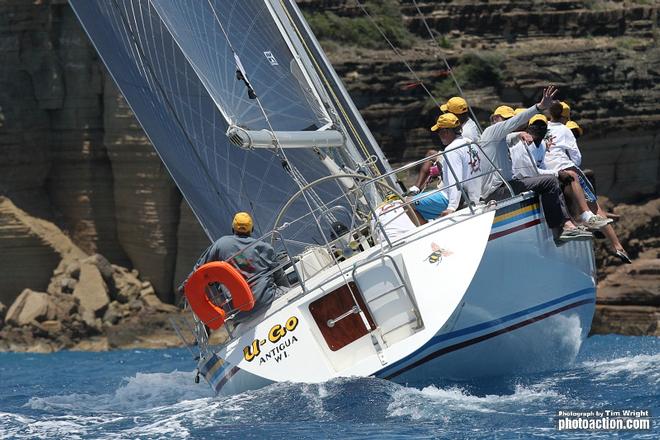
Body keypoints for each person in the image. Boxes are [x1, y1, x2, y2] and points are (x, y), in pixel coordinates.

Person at [478, 86, 591, 241]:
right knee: (550, 182)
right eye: (504, 119)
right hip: (499, 191)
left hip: (505, 186)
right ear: (494, 119)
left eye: (508, 120)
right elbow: (515, 123)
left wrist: (519, 133)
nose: (507, 122)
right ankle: (561, 230)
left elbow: (510, 135)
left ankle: (571, 222)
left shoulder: (499, 138)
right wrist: (539, 107)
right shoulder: (492, 132)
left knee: (553, 180)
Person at [185, 212, 286, 320]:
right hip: (267, 301)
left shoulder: (221, 244)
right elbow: (280, 277)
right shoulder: (265, 247)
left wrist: (185, 286)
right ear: (251, 229)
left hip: (238, 312)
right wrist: (287, 290)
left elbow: (199, 270)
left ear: (233, 228)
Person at [544, 102, 613, 231]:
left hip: (547, 169)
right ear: (564, 117)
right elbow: (577, 159)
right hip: (564, 166)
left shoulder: (543, 128)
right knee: (588, 190)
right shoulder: (564, 129)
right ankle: (590, 216)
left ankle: (584, 218)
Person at [430, 112, 481, 215]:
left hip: (461, 198)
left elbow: (456, 180)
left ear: (446, 131)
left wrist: (452, 207)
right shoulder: (470, 143)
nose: (439, 135)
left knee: (409, 203)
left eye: (439, 132)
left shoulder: (451, 150)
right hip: (477, 195)